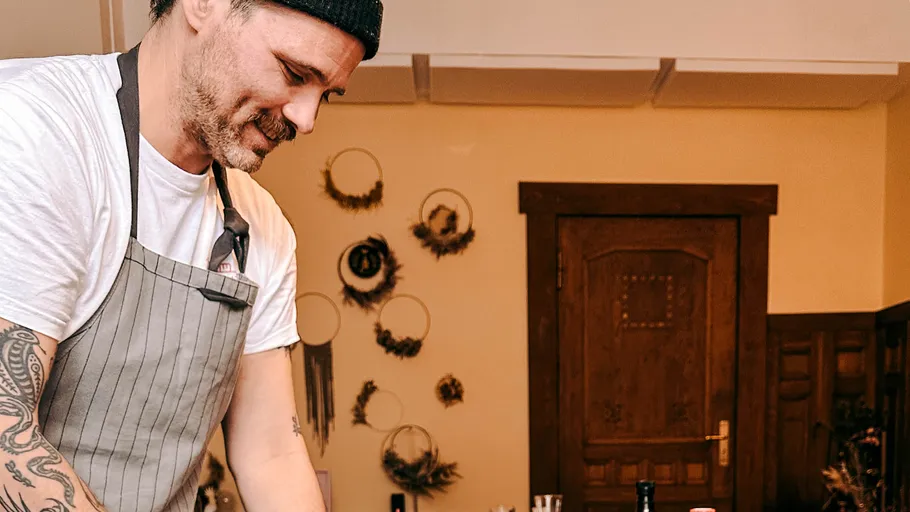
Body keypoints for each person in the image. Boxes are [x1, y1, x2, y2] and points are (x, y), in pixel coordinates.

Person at [0, 0, 382, 510]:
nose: (306, 119)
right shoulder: (33, 130)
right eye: (294, 73)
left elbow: (270, 454)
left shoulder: (261, 228)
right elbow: (5, 423)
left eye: (325, 96)